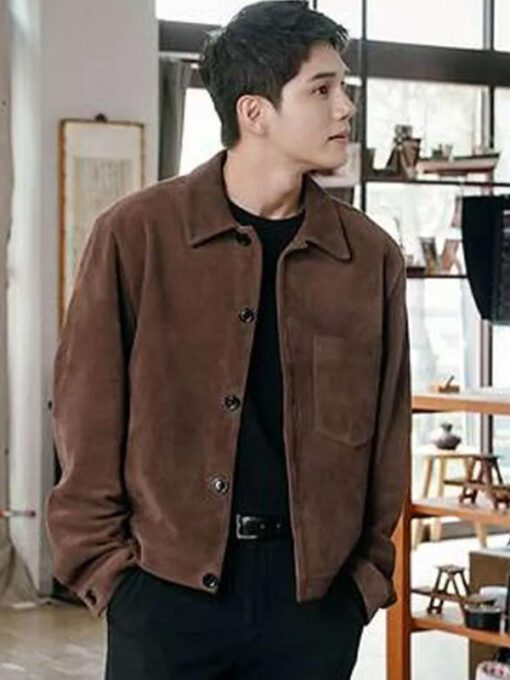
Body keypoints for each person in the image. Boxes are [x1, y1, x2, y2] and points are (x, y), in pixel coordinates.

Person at [45, 2, 411, 678]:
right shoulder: (137, 236)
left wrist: (362, 584)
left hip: (314, 608)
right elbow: (84, 415)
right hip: (164, 596)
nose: (346, 107)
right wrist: (110, 576)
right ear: (255, 112)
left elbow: (389, 434)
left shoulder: (369, 258)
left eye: (345, 87)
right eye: (322, 89)